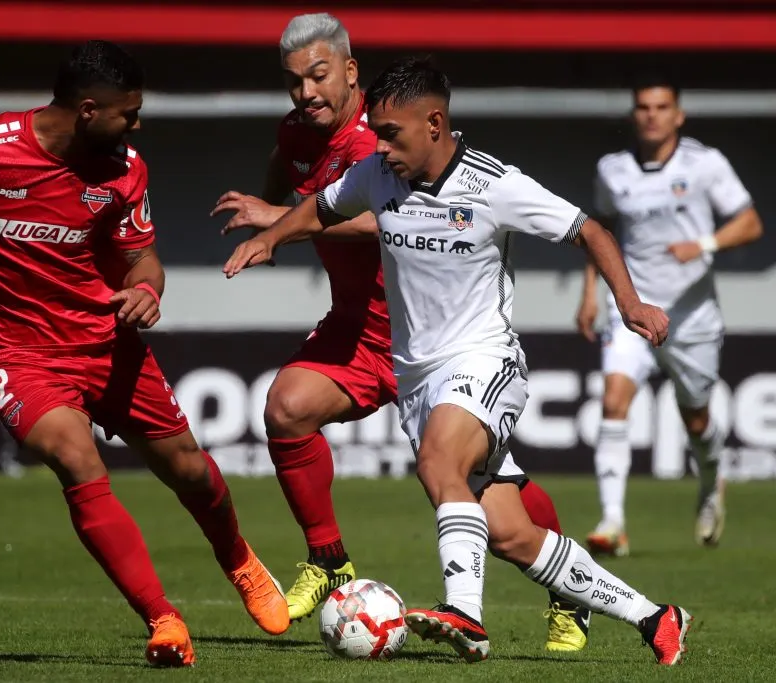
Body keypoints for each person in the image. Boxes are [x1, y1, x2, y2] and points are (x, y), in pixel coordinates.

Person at [223, 56, 691, 666]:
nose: (381, 147)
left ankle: (465, 614)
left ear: (436, 123)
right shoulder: (376, 175)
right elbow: (322, 207)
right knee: (512, 536)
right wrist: (270, 236)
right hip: (418, 378)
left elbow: (589, 230)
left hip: (484, 360)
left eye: (392, 134)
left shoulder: (495, 184)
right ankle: (656, 618)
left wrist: (628, 305)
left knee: (437, 461)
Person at [0, 40, 289, 668]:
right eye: (127, 114)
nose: (137, 126)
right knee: (75, 458)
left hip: (105, 342)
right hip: (14, 353)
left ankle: (238, 558)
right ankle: (163, 620)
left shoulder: (125, 168)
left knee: (188, 469)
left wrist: (146, 289)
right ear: (86, 111)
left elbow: (142, 257)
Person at [579, 77, 764, 556]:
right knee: (614, 399)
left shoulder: (705, 164)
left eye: (662, 107)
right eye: (643, 106)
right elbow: (596, 230)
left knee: (696, 418)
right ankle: (613, 521)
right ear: (633, 115)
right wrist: (590, 294)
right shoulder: (613, 170)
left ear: (678, 115)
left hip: (692, 316)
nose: (652, 115)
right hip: (634, 309)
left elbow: (750, 223)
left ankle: (710, 480)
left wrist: (702, 244)